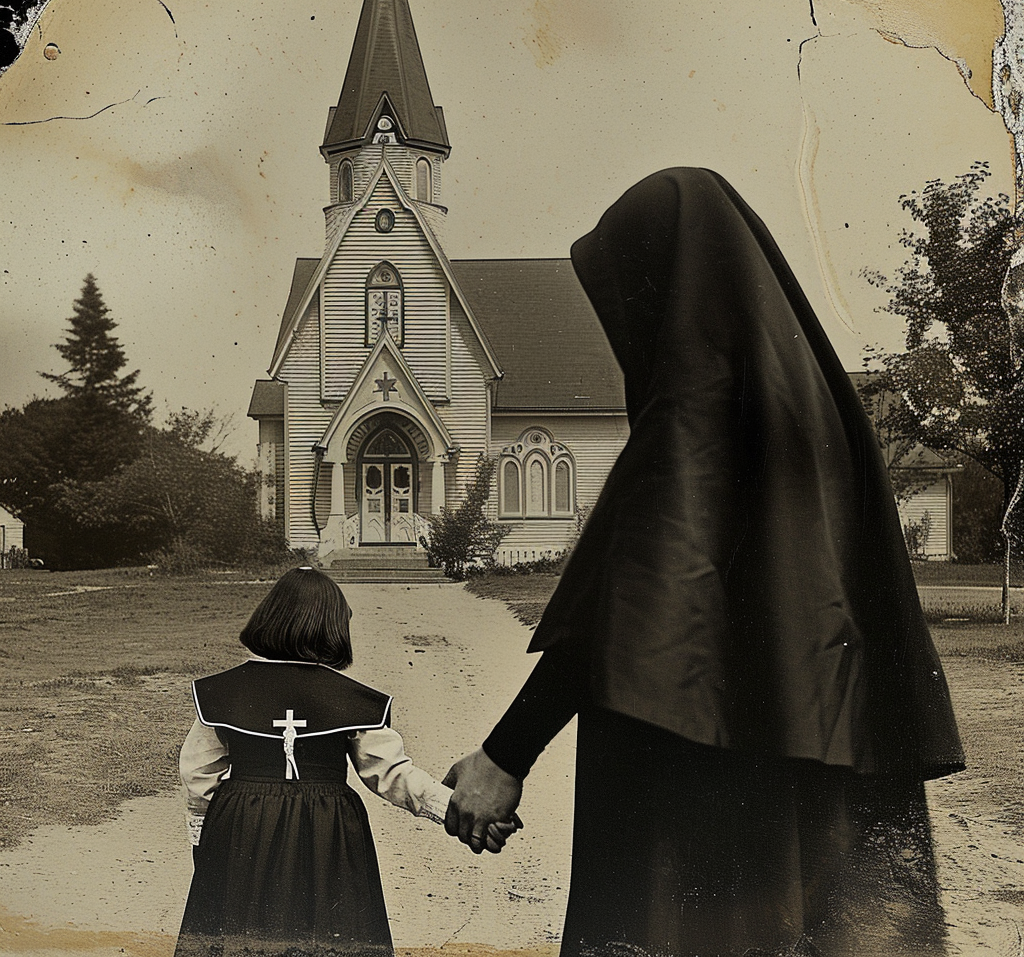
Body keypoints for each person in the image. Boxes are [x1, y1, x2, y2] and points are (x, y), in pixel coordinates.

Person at [443, 168, 965, 957]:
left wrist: (504, 756)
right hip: (803, 775)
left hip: (695, 788)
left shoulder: (696, 411)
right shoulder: (815, 404)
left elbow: (625, 611)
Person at [175, 566, 514, 957]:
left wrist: (204, 839)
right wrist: (458, 810)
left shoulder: (225, 690)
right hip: (327, 830)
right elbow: (392, 774)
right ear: (333, 629)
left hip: (243, 826)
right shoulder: (351, 699)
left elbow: (198, 774)